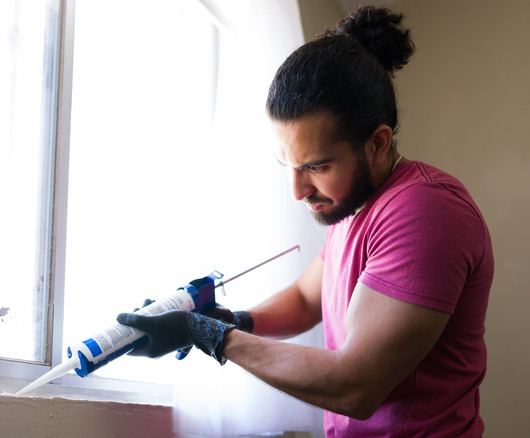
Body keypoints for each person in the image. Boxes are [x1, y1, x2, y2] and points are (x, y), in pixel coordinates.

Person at [117, 5, 494, 437]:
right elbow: (306, 299)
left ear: (377, 143)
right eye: (289, 166)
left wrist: (206, 335)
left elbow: (356, 385)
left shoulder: (424, 210)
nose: (297, 190)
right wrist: (234, 320)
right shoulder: (353, 207)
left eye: (316, 166)